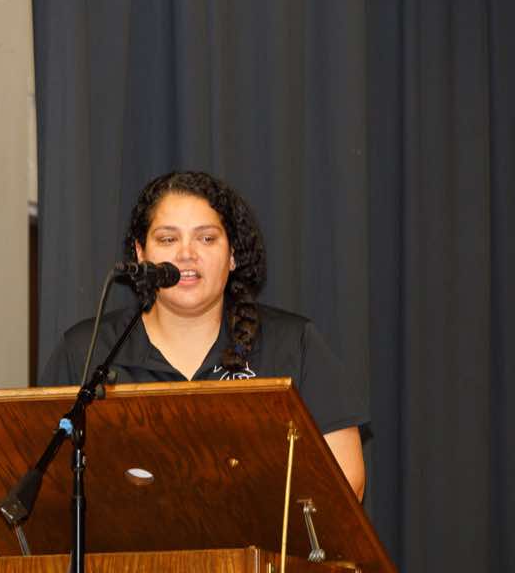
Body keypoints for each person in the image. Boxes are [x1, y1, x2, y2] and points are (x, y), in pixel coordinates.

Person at [39, 171, 367, 499]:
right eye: (168, 239)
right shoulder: (87, 349)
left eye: (207, 239)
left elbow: (345, 483)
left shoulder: (292, 344)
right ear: (140, 253)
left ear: (233, 254)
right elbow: (42, 480)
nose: (186, 254)